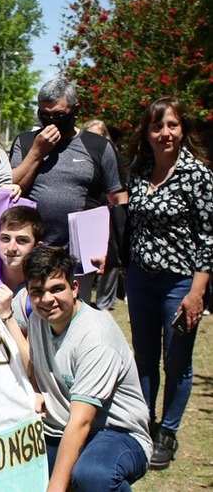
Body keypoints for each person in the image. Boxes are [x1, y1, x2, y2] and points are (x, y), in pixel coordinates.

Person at [125, 96, 213, 470]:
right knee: (143, 356)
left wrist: (197, 292)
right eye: (157, 126)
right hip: (140, 279)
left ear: (182, 129)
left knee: (176, 361)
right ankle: (144, 422)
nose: (165, 133)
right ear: (146, 133)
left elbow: (209, 237)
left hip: (180, 282)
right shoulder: (139, 170)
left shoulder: (198, 175)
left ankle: (168, 431)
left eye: (172, 125)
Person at [21, 246, 150, 490]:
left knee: (92, 475)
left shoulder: (96, 337)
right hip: (59, 428)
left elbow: (81, 422)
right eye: (37, 292)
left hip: (116, 433)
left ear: (75, 288)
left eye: (57, 288)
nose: (47, 299)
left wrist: (56, 488)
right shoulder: (38, 320)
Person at [10, 78, 127, 302]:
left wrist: (113, 251)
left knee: (72, 318)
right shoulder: (26, 142)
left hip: (79, 255)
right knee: (30, 317)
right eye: (45, 115)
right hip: (32, 251)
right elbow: (12, 188)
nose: (51, 121)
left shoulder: (99, 147)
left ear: (76, 110)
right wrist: (37, 151)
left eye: (59, 116)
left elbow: (118, 198)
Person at [81, 119, 121, 311]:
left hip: (108, 217)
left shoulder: (112, 158)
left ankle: (105, 305)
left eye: (98, 137)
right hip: (87, 221)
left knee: (110, 265)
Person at [0, 206, 43, 337]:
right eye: (5, 238)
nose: (11, 248)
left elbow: (31, 357)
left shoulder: (38, 297)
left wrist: (7, 315)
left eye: (22, 240)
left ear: (37, 247)